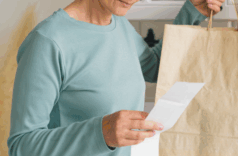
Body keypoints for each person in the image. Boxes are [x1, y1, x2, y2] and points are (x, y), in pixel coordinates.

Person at [7, 0, 224, 155]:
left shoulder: (119, 24)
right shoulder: (48, 42)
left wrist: (191, 11)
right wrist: (101, 132)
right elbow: (21, 146)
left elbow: (155, 67)